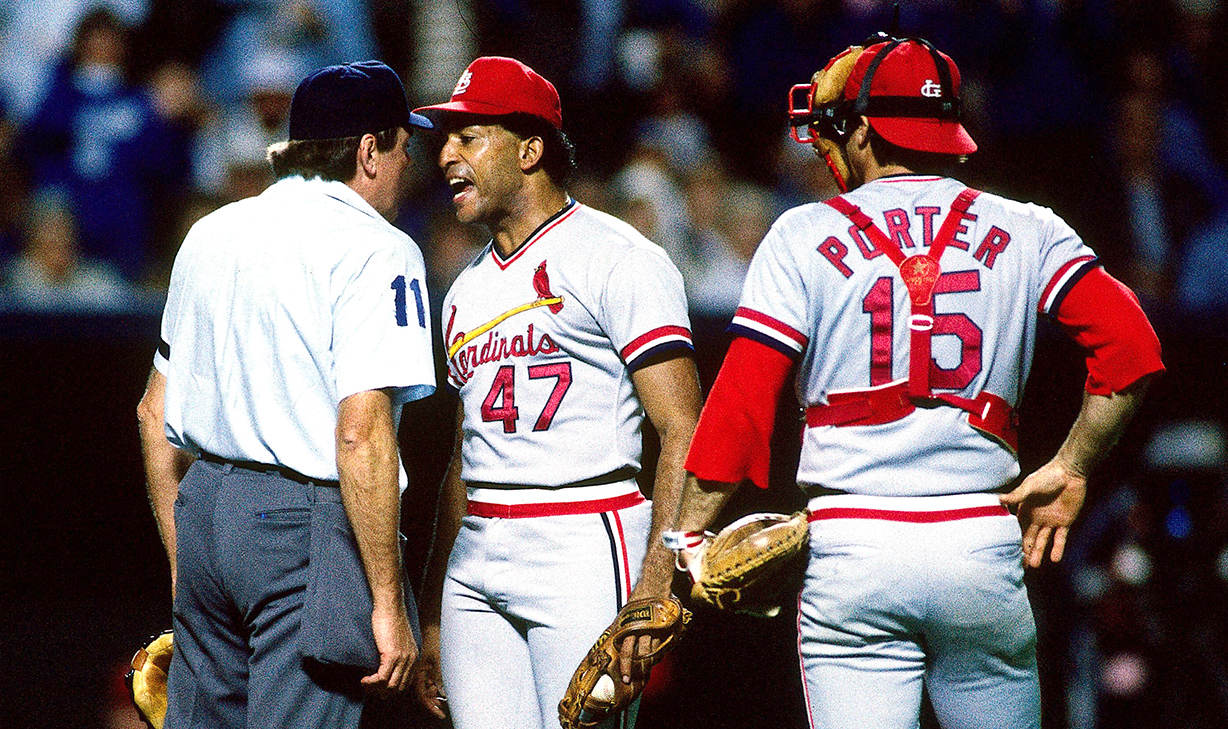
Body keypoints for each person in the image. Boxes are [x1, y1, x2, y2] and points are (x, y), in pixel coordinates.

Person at [663, 37, 1165, 729]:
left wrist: (682, 542)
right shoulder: (1028, 227)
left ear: (866, 130)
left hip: (853, 543)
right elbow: (1132, 348)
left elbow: (740, 410)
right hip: (978, 541)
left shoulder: (800, 232)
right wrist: (1073, 466)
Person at [135, 61, 436, 726]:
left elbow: (153, 411)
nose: (409, 164)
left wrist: (190, 567)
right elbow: (361, 431)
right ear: (367, 150)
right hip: (300, 524)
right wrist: (386, 601)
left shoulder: (210, 232)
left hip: (207, 509)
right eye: (402, 147)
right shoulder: (377, 248)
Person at [411, 56, 702, 729]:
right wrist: (431, 608)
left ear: (531, 148)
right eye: (445, 140)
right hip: (479, 551)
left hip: (584, 530)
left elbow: (683, 426)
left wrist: (657, 582)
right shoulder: (465, 287)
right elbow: (462, 457)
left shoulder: (619, 257)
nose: (447, 154)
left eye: (469, 137)